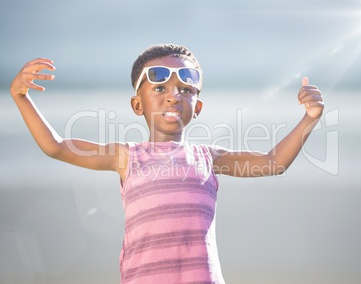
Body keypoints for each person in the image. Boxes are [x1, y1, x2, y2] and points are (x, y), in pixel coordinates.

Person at [10, 43, 324, 284]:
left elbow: (272, 162)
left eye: (185, 91)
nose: (173, 97)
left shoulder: (208, 158)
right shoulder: (127, 157)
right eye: (159, 89)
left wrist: (308, 119)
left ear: (196, 107)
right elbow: (57, 147)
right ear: (137, 104)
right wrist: (22, 97)